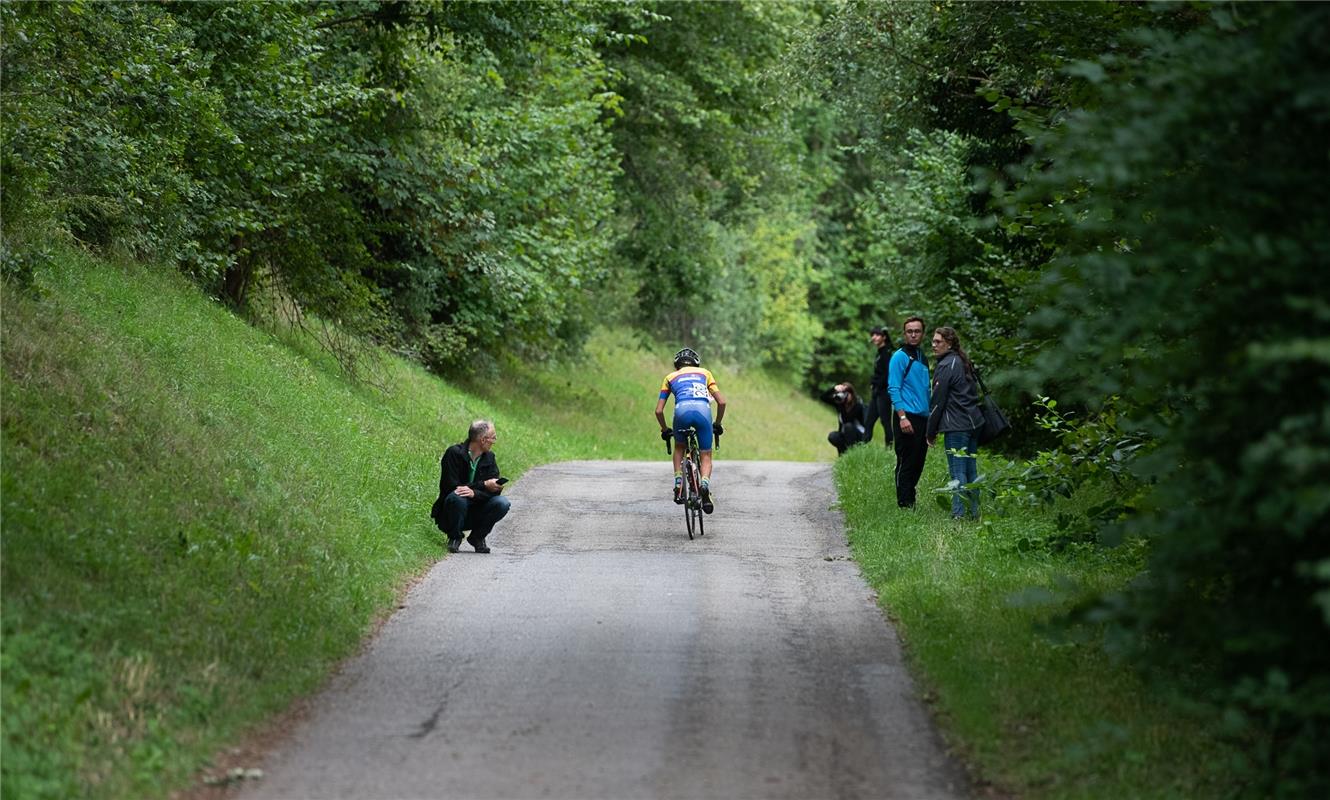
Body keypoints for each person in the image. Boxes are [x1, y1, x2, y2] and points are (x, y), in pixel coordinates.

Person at [655, 347, 727, 513]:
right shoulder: (705, 373)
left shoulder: (670, 377)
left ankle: (679, 483)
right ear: (696, 363)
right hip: (703, 412)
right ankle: (704, 485)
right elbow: (721, 402)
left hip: (681, 413)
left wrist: (665, 429)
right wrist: (717, 423)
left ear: (677, 365)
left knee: (680, 447)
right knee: (706, 454)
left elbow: (658, 411)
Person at [926, 327, 985, 520]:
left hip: (957, 426)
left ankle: (958, 514)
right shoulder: (962, 361)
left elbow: (937, 402)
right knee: (970, 469)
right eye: (933, 341)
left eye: (938, 342)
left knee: (958, 471)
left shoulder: (946, 365)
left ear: (949, 344)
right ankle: (974, 513)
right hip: (973, 423)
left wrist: (930, 431)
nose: (933, 345)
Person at [430, 419, 511, 553]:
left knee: (502, 503)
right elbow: (450, 487)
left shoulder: (489, 458)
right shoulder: (453, 453)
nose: (494, 442)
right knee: (457, 497)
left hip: (477, 510)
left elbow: (493, 492)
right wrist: (483, 485)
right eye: (493, 438)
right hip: (452, 512)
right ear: (483, 440)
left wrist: (475, 493)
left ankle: (477, 537)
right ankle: (454, 537)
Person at [887, 316, 931, 508]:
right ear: (904, 334)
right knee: (906, 461)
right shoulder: (899, 357)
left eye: (917, 331)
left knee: (918, 462)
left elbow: (925, 390)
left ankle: (910, 499)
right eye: (909, 331)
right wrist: (902, 417)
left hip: (923, 418)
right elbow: (893, 388)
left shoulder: (922, 357)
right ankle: (904, 504)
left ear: (923, 333)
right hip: (905, 416)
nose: (913, 334)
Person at [863, 326, 894, 446]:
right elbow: (878, 372)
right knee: (869, 420)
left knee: (885, 421)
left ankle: (889, 448)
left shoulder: (887, 353)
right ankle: (863, 447)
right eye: (873, 335)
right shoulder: (879, 353)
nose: (873, 337)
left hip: (884, 393)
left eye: (877, 335)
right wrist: (873, 384)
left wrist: (877, 385)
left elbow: (887, 374)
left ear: (884, 337)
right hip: (877, 392)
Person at [819, 382, 868, 456]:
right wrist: (833, 389)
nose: (843, 396)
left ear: (851, 394)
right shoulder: (840, 403)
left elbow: (847, 420)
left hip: (859, 436)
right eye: (841, 393)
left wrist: (842, 405)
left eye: (845, 393)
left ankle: (852, 455)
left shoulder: (858, 405)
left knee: (848, 426)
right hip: (845, 434)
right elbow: (823, 398)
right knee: (833, 436)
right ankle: (843, 456)